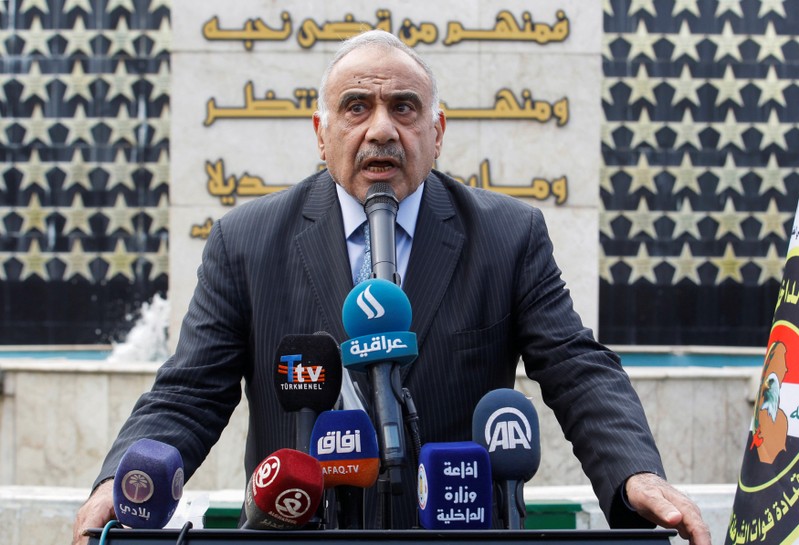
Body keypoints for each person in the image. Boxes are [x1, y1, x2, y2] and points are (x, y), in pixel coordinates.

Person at [72, 30, 710, 544]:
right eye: (356, 107)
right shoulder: (247, 241)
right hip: (295, 533)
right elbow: (188, 393)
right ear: (322, 136)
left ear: (436, 133)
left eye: (403, 107)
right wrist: (118, 481)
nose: (380, 129)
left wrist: (636, 474)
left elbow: (577, 368)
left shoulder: (508, 236)